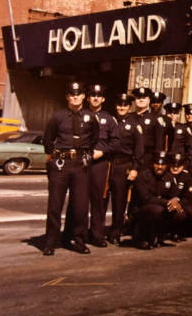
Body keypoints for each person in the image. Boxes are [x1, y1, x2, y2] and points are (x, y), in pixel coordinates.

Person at [42, 81, 99, 255]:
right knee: (55, 205)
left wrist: (86, 157)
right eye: (72, 94)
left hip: (80, 165)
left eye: (79, 93)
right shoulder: (58, 117)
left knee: (80, 206)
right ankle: (50, 242)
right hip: (61, 164)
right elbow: (48, 139)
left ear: (84, 96)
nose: (75, 96)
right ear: (67, 96)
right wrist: (54, 160)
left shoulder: (90, 117)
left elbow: (94, 139)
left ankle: (78, 240)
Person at [80, 83, 118, 248]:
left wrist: (102, 152)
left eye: (98, 96)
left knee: (98, 201)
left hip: (100, 164)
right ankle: (78, 235)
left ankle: (97, 235)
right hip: (80, 162)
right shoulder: (80, 115)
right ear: (88, 98)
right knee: (79, 200)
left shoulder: (109, 119)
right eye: (92, 95)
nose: (95, 98)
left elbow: (115, 141)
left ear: (103, 99)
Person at [107, 92, 143, 245]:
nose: (121, 107)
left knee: (119, 202)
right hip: (106, 165)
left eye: (125, 105)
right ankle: (96, 231)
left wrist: (135, 168)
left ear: (129, 107)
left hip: (123, 166)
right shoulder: (109, 121)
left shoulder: (135, 124)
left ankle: (116, 231)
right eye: (119, 105)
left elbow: (139, 149)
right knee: (100, 200)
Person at [133, 151, 185, 249]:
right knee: (157, 210)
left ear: (166, 165)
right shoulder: (143, 176)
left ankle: (159, 236)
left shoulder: (169, 176)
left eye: (162, 164)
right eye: (157, 164)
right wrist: (168, 202)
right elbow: (146, 198)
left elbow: (175, 194)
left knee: (180, 213)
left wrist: (175, 202)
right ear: (152, 164)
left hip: (160, 207)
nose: (159, 167)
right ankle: (140, 238)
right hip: (141, 209)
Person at [132, 87, 165, 167]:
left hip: (147, 161)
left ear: (149, 100)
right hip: (130, 160)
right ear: (135, 100)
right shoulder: (129, 117)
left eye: (144, 98)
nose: (141, 100)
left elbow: (159, 145)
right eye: (138, 98)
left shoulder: (156, 119)